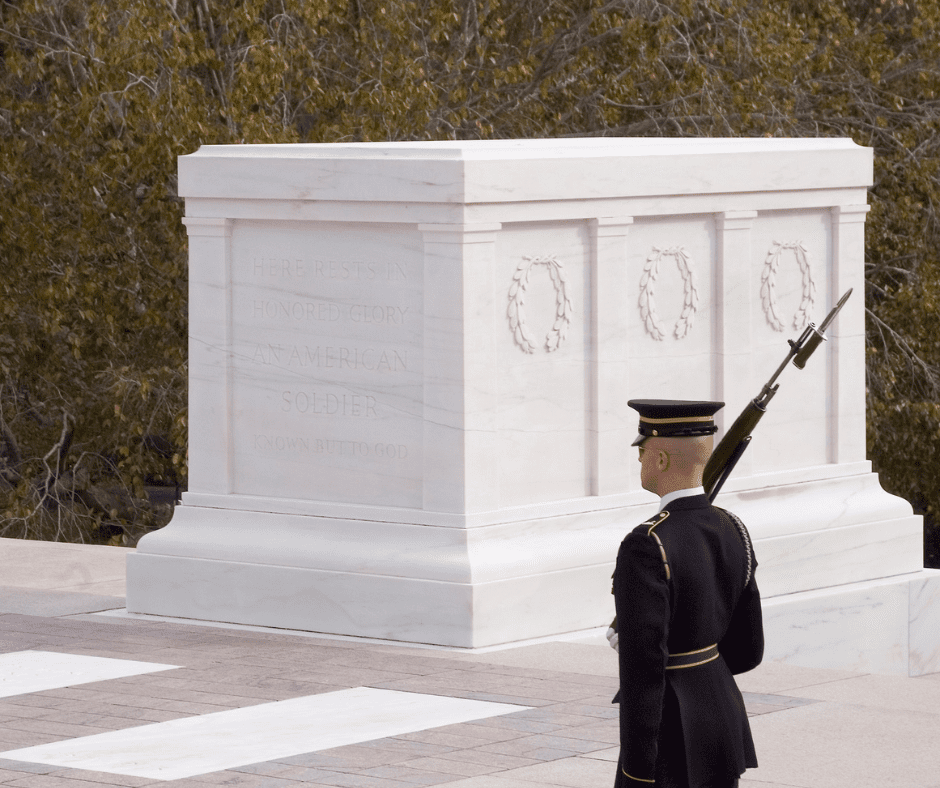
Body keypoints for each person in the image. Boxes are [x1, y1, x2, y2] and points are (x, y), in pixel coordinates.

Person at [609, 399, 764, 788]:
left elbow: (643, 674)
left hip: (671, 731)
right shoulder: (734, 528)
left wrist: (636, 769)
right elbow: (748, 650)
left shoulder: (646, 543)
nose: (640, 461)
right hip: (720, 716)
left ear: (660, 460)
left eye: (642, 452)